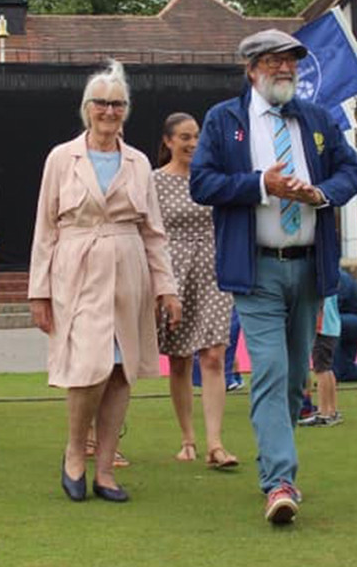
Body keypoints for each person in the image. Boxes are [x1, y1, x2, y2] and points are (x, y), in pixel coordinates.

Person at [190, 28, 357, 525]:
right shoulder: (224, 121)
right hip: (257, 267)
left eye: (291, 62)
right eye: (273, 62)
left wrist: (322, 194)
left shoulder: (317, 117)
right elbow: (203, 183)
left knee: (291, 381)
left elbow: (350, 172)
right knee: (267, 368)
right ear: (251, 69)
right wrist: (261, 183)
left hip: (309, 265)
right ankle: (280, 480)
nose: (285, 69)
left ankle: (273, 465)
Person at [29, 61, 181, 504]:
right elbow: (44, 228)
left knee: (120, 369)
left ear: (126, 111)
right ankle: (75, 450)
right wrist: (39, 292)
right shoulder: (61, 158)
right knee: (87, 367)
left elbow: (153, 230)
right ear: (86, 108)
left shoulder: (136, 163)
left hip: (129, 270)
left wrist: (165, 286)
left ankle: (106, 467)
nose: (109, 111)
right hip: (76, 272)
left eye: (117, 104)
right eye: (102, 103)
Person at [154, 112, 239, 469]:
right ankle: (188, 438)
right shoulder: (154, 182)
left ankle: (215, 444)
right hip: (174, 274)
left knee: (214, 356)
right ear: (169, 141)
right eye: (184, 137)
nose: (192, 143)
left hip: (214, 270)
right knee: (179, 359)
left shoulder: (213, 178)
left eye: (196, 137)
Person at [299, 294, 343, 427]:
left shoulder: (322, 284)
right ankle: (332, 410)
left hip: (322, 330)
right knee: (327, 369)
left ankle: (323, 413)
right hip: (332, 329)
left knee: (321, 370)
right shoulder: (331, 282)